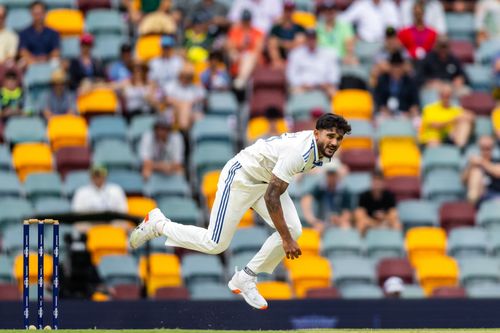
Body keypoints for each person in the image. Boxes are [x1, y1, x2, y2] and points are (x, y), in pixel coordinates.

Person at [130, 113, 351, 310]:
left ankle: (245, 277)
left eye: (338, 138)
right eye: (330, 136)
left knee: (294, 230)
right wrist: (285, 240)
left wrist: (287, 235)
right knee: (215, 243)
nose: (334, 142)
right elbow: (272, 197)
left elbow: (274, 188)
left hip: (266, 180)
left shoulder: (320, 150)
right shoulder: (299, 152)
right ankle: (158, 224)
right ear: (316, 133)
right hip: (241, 177)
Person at [286, 29, 340, 98]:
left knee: (334, 93)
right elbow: (291, 75)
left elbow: (334, 74)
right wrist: (302, 84)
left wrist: (327, 83)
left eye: (313, 38)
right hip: (302, 87)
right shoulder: (296, 54)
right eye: (309, 38)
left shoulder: (327, 54)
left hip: (323, 87)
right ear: (305, 40)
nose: (311, 41)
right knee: (293, 91)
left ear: (317, 39)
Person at [301, 161, 352, 232]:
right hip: (322, 222)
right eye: (329, 174)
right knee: (317, 231)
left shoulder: (344, 190)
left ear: (337, 175)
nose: (331, 177)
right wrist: (313, 220)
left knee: (346, 227)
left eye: (333, 174)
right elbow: (306, 200)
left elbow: (347, 213)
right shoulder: (320, 187)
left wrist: (339, 220)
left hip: (339, 222)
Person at [419, 83, 474, 149]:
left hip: (450, 137)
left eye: (448, 95)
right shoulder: (429, 109)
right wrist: (454, 120)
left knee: (465, 123)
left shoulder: (456, 110)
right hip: (432, 138)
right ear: (439, 95)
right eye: (443, 95)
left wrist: (469, 116)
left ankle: (460, 149)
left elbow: (470, 116)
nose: (446, 97)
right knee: (434, 142)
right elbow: (435, 125)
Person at [374, 52, 420, 121]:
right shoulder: (383, 80)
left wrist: (411, 111)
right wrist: (383, 108)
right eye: (394, 66)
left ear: (402, 67)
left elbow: (415, 101)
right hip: (386, 112)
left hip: (405, 112)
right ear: (390, 67)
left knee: (418, 120)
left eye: (398, 66)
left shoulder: (410, 81)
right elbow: (378, 98)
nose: (396, 69)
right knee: (378, 119)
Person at [226, 9, 264, 90]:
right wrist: (241, 45)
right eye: (244, 20)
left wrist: (244, 51)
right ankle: (240, 81)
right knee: (234, 54)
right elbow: (230, 46)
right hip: (238, 59)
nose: (246, 22)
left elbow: (258, 49)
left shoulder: (257, 32)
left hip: (253, 61)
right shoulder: (235, 31)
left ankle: (241, 80)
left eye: (248, 20)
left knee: (249, 57)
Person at [354, 171, 401, 235]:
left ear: (383, 183)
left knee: (397, 224)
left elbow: (394, 213)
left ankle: (396, 243)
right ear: (371, 182)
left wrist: (384, 217)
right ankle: (359, 244)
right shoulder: (364, 196)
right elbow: (359, 214)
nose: (377, 183)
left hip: (385, 222)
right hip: (369, 223)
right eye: (374, 181)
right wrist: (373, 223)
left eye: (379, 181)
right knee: (361, 223)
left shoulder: (389, 196)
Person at [164, 64, 206, 131]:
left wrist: (187, 105)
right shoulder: (171, 86)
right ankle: (184, 132)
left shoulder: (197, 88)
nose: (186, 78)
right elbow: (167, 100)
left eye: (189, 76)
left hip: (191, 113)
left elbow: (201, 101)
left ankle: (184, 131)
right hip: (173, 112)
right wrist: (183, 105)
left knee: (198, 116)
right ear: (179, 75)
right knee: (184, 108)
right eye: (184, 75)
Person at [18, 1, 60, 66]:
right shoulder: (24, 33)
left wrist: (46, 58)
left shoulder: (53, 33)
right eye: (36, 14)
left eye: (40, 13)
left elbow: (56, 51)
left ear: (45, 13)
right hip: (30, 61)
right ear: (31, 13)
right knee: (22, 62)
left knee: (56, 62)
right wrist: (34, 59)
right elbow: (23, 51)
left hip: (48, 61)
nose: (38, 16)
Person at [316, 0, 357, 65]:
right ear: (323, 13)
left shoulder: (344, 26)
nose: (329, 13)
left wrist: (349, 56)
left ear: (336, 12)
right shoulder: (317, 28)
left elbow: (349, 44)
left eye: (332, 11)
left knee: (353, 61)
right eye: (327, 11)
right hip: (321, 60)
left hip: (339, 60)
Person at [462, 135, 500, 205]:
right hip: (479, 195)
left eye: (488, 148)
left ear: (493, 148)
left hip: (495, 194)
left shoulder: (496, 160)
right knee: (476, 172)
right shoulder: (473, 163)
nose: (485, 151)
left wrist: (482, 162)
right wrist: (470, 167)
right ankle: (472, 205)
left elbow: (498, 173)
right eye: (483, 148)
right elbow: (463, 181)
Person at [267, 1, 305, 68]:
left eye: (290, 10)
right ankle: (279, 64)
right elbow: (272, 42)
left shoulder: (299, 27)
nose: (288, 13)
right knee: (272, 43)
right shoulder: (276, 28)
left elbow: (299, 43)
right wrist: (289, 44)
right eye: (286, 10)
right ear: (283, 11)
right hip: (281, 58)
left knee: (300, 42)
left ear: (293, 11)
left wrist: (282, 43)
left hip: (295, 58)